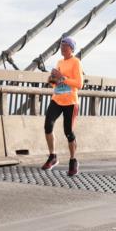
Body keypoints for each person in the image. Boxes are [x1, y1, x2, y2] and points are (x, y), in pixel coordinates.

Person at [41, 37, 83, 176]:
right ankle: (53, 156)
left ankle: (73, 160)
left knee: (68, 132)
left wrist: (63, 77)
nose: (62, 48)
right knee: (48, 125)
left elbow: (79, 84)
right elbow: (55, 83)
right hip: (57, 99)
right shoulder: (59, 62)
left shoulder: (76, 62)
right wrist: (52, 78)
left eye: (64, 46)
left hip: (71, 102)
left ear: (71, 48)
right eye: (61, 46)